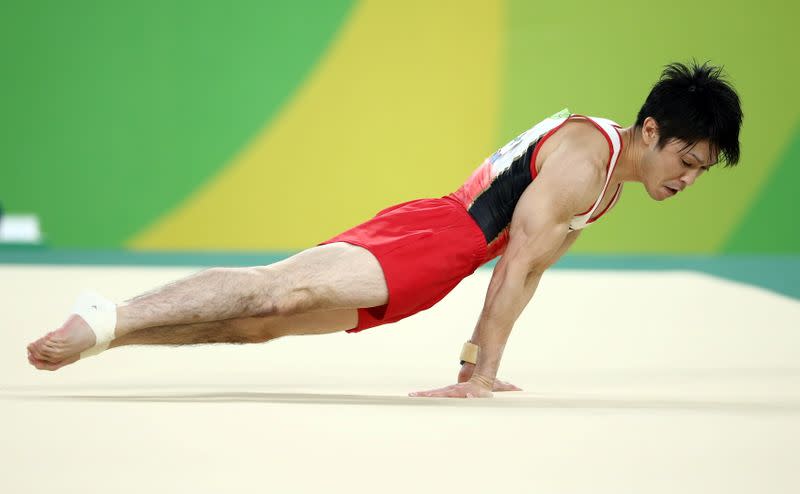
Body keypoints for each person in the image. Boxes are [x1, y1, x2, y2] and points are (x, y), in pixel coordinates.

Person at [27, 61, 743, 399]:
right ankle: (107, 314)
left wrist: (472, 366)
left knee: (261, 325)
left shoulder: (606, 187)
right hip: (441, 238)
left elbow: (532, 268)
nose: (687, 177)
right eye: (686, 158)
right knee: (276, 293)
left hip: (441, 255)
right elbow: (516, 263)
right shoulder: (589, 157)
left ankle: (111, 335)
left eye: (702, 171)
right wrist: (482, 372)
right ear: (650, 130)